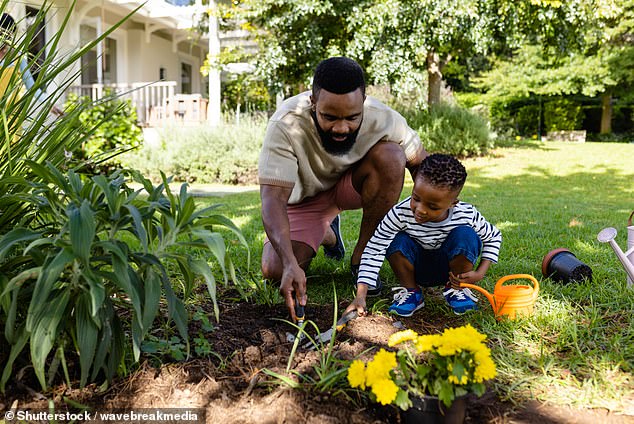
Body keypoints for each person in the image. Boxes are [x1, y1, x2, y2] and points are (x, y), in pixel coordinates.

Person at [258, 56, 428, 321]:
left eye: (352, 117)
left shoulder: (384, 118)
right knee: (274, 269)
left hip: (352, 186)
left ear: (363, 103)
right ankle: (328, 234)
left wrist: (434, 219)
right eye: (329, 117)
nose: (341, 127)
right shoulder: (286, 123)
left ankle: (362, 259)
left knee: (392, 156)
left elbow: (423, 167)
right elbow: (272, 200)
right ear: (313, 103)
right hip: (304, 200)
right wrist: (290, 262)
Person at [346, 153, 502, 317]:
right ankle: (412, 293)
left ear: (452, 204)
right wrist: (360, 295)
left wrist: (480, 273)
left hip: (450, 269)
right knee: (395, 240)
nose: (420, 210)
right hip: (414, 268)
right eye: (416, 198)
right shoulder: (399, 213)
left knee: (466, 235)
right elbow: (375, 247)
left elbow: (494, 237)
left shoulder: (466, 214)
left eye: (432, 206)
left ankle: (457, 290)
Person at [0, 13, 63, 116]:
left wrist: (49, 103)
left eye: (7, 34)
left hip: (11, 115)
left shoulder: (18, 57)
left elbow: (32, 88)